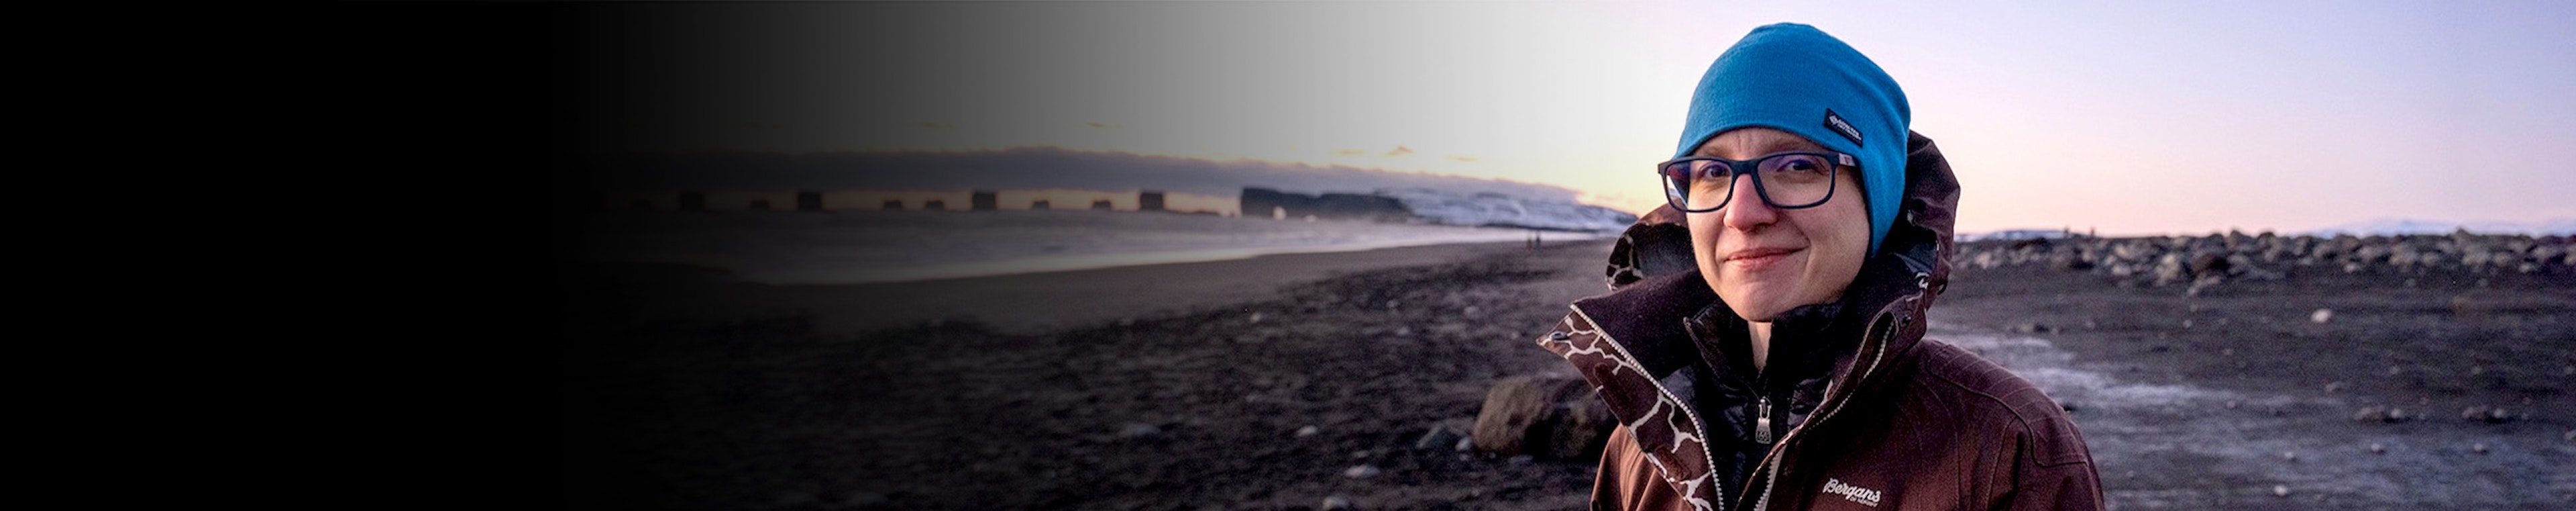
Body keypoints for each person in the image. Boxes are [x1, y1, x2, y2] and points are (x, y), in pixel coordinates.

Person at [1536, 24, 2103, 510]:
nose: (1742, 213)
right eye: (1712, 172)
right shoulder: (1644, 440)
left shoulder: (2007, 450)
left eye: (1797, 165)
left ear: (1877, 199)